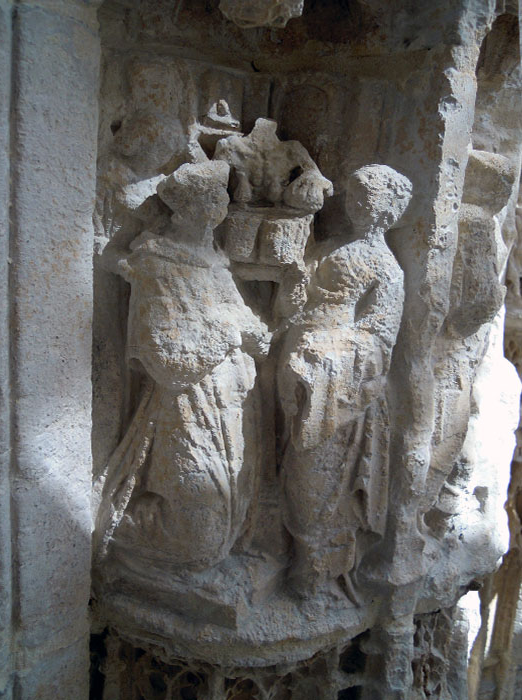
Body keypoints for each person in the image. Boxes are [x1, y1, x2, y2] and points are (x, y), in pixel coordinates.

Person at [95, 160, 270, 570]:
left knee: (230, 528)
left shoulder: (215, 264)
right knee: (199, 544)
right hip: (189, 411)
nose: (220, 206)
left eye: (221, 198)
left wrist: (256, 333)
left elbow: (251, 329)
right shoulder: (156, 265)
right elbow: (167, 361)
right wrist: (230, 332)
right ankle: (120, 531)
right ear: (185, 209)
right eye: (211, 199)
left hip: (234, 411)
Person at [277, 165, 413, 599]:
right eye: (353, 195)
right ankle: (289, 552)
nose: (356, 204)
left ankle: (313, 565)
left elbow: (378, 340)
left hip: (335, 386)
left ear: (389, 210)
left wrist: (324, 351)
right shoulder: (329, 246)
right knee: (287, 461)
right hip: (297, 366)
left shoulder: (387, 270)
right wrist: (294, 289)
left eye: (366, 198)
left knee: (315, 477)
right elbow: (295, 302)